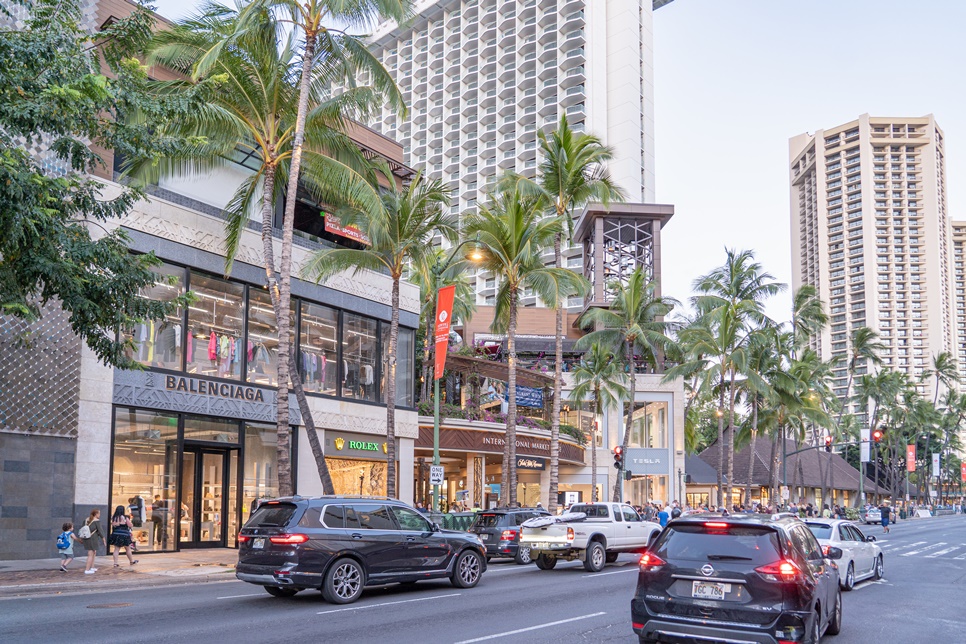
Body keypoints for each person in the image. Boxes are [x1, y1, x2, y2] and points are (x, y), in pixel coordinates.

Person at [80, 509, 105, 575]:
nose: (99, 515)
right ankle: (87, 569)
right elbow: (100, 531)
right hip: (92, 539)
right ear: (96, 514)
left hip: (86, 538)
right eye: (99, 513)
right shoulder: (96, 521)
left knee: (93, 552)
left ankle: (92, 567)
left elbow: (82, 529)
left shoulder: (86, 520)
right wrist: (103, 539)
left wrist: (81, 539)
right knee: (90, 554)